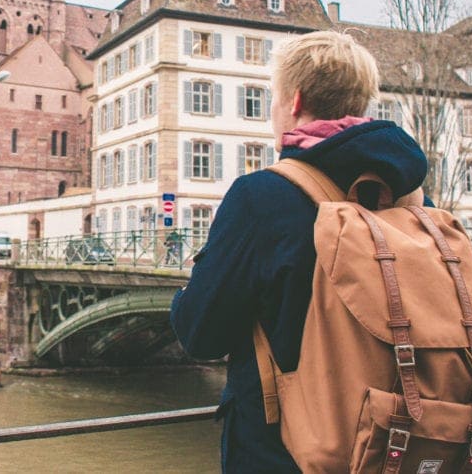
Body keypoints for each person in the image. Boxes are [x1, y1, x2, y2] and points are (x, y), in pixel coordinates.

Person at [169, 31, 429, 472]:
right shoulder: (412, 197)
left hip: (283, 451)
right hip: (387, 443)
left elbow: (202, 335)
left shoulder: (262, 197)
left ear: (293, 102)